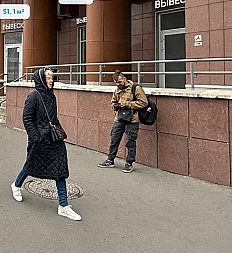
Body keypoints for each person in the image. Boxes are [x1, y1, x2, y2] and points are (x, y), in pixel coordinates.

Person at [10, 67, 81, 221]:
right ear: (41, 79)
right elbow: (27, 118)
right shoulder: (33, 96)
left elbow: (53, 118)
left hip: (54, 139)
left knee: (60, 169)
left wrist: (59, 131)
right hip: (40, 140)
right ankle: (16, 185)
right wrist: (36, 137)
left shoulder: (52, 96)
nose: (51, 81)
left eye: (52, 78)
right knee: (30, 165)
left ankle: (63, 206)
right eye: (48, 78)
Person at [98, 70, 148, 173]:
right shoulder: (117, 90)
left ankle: (129, 163)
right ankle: (110, 159)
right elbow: (112, 102)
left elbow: (144, 103)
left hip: (132, 119)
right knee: (114, 139)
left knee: (130, 141)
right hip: (119, 118)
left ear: (124, 79)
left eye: (120, 82)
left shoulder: (135, 88)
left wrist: (127, 104)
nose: (118, 84)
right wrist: (115, 105)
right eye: (116, 82)